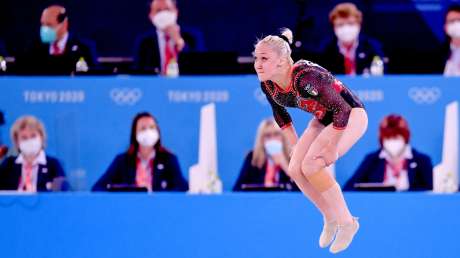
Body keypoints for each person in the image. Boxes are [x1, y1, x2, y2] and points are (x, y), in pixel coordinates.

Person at [254, 28, 368, 253]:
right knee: (296, 168)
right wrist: (295, 144)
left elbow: (341, 110)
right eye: (256, 57)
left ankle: (347, 222)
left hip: (351, 115)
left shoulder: (306, 77)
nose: (257, 63)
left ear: (281, 61)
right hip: (323, 118)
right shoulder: (268, 83)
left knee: (312, 164)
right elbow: (281, 116)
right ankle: (330, 217)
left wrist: (333, 148)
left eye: (264, 58)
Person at [92, 112, 188, 192]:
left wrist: (160, 196)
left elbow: (183, 188)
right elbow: (98, 188)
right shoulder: (122, 161)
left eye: (152, 127)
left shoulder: (169, 159)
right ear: (135, 134)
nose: (148, 132)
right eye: (143, 128)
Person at [344, 114, 433, 191]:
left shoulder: (422, 160)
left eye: (396, 138)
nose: (392, 142)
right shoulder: (372, 160)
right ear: (382, 140)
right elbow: (349, 188)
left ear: (406, 138)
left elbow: (431, 190)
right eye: (388, 138)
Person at [17, 5, 97, 75]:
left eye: (49, 25)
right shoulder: (34, 48)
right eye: (43, 24)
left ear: (64, 24)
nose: (44, 29)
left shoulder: (83, 48)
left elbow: (94, 77)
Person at [0, 115, 68, 192]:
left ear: (41, 137)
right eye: (24, 137)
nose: (29, 141)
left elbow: (62, 194)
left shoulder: (53, 165)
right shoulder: (8, 164)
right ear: (17, 141)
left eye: (33, 136)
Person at [320, 2, 385, 75]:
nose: (346, 29)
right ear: (334, 28)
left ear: (359, 25)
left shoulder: (372, 47)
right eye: (340, 25)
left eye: (350, 23)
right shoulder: (326, 49)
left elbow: (382, 73)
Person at [233, 118, 298, 192]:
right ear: (262, 140)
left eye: (276, 134)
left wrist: (284, 165)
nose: (272, 139)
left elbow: (302, 191)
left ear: (283, 137)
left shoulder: (292, 157)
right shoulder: (252, 157)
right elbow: (237, 189)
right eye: (268, 136)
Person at [134, 0, 185, 75]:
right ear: (151, 16)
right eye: (158, 11)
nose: (164, 14)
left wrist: (179, 41)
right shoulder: (144, 42)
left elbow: (198, 66)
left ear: (176, 12)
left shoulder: (192, 38)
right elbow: (139, 71)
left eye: (167, 9)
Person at [442, 4, 460, 76]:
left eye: (459, 20)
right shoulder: (439, 53)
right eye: (452, 21)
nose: (456, 24)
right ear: (445, 27)